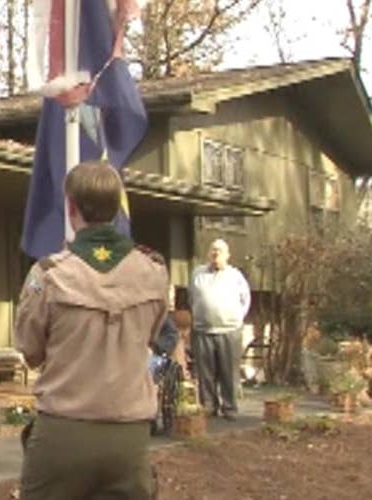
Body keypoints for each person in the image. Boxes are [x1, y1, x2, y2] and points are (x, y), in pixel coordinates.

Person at [15, 161, 168, 500]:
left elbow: (30, 351)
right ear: (117, 207)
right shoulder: (153, 272)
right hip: (130, 435)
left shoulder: (48, 274)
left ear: (70, 207)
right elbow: (151, 337)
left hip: (64, 430)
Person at [188, 238, 251, 420]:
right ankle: (208, 406)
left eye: (220, 251)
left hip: (229, 331)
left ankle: (229, 408)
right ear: (208, 253)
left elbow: (245, 300)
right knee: (205, 372)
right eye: (213, 250)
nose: (216, 254)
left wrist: (237, 318)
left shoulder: (235, 276)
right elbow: (192, 297)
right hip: (203, 330)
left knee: (228, 372)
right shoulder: (197, 274)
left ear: (227, 255)